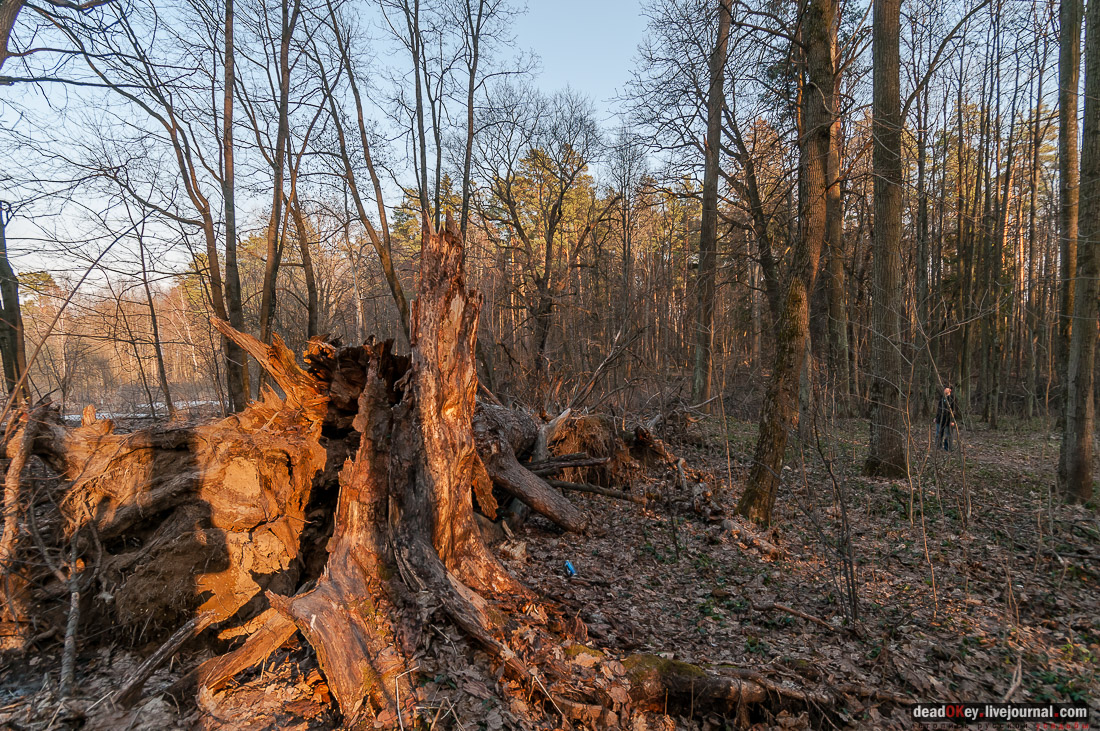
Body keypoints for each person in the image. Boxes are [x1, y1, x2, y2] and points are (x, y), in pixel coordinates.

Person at [935, 386, 958, 452]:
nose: (944, 389)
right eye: (944, 388)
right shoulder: (942, 398)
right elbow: (939, 409)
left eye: (946, 388)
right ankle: (938, 447)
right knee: (938, 434)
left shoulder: (953, 399)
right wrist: (936, 417)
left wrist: (952, 420)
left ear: (950, 390)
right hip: (940, 419)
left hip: (948, 420)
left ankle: (947, 448)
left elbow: (955, 410)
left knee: (948, 435)